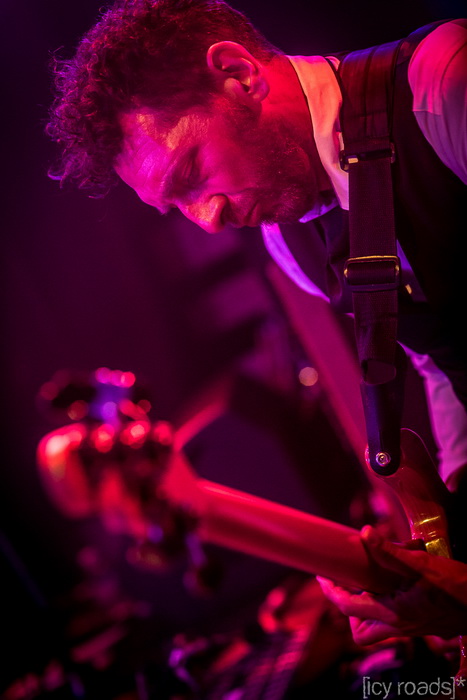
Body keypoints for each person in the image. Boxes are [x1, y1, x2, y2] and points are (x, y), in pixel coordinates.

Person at [46, 0, 467, 650]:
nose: (207, 221)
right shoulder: (289, 244)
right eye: (175, 206)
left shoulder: (445, 85)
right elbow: (441, 358)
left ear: (239, 75)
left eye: (191, 175)